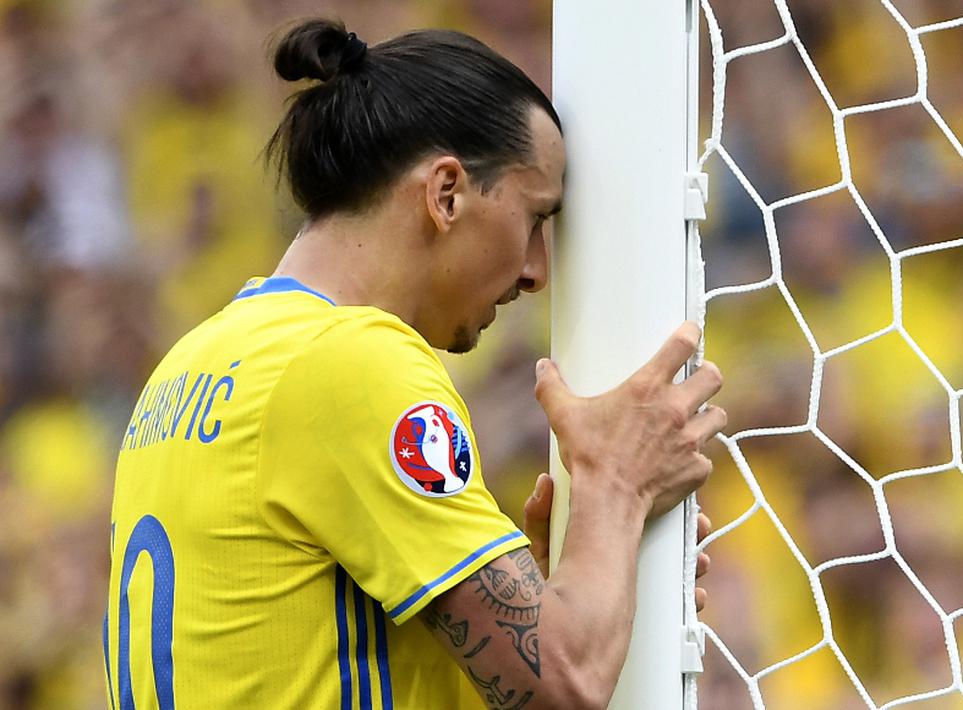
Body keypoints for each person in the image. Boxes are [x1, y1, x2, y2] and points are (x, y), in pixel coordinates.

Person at [103, 18, 726, 710]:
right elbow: (563, 683)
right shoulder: (349, 361)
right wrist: (616, 484)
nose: (535, 270)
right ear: (446, 193)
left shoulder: (190, 365)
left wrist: (555, 588)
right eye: (534, 218)